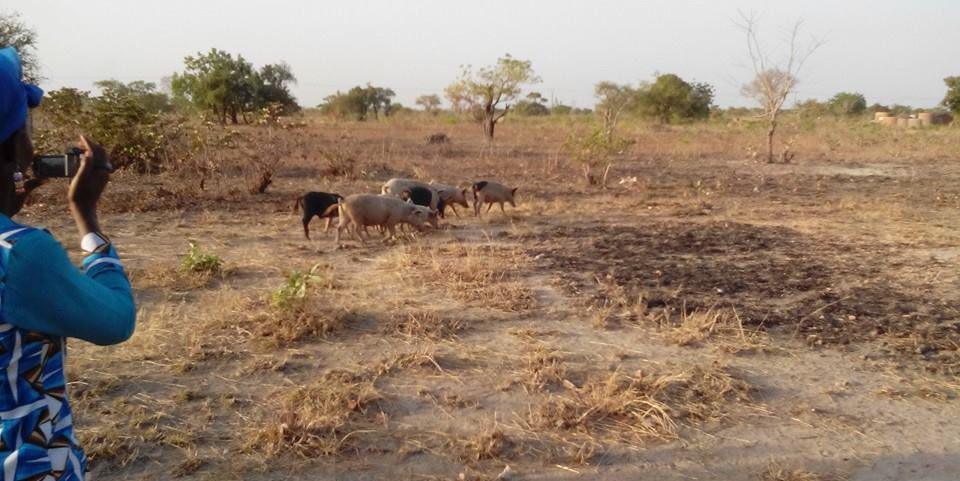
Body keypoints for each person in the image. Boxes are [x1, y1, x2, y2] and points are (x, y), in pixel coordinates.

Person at [0, 47, 135, 479]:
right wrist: (86, 215)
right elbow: (115, 320)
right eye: (25, 127)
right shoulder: (21, 255)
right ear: (10, 145)